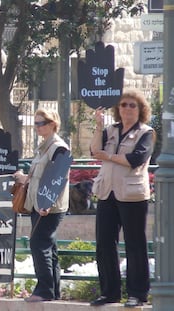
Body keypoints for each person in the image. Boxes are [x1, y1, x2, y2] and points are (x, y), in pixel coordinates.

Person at [89, 89, 154, 308]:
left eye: (132, 105)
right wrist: (98, 125)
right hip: (107, 191)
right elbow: (94, 150)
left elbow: (137, 159)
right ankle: (110, 292)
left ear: (140, 109)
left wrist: (109, 157)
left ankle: (138, 293)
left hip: (132, 194)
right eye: (123, 105)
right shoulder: (111, 130)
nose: (126, 108)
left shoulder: (146, 132)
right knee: (105, 242)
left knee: (135, 244)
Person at [13, 109, 70, 302]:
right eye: (36, 123)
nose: (37, 127)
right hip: (39, 203)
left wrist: (48, 202)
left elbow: (58, 177)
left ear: (53, 124)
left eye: (41, 123)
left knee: (39, 243)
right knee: (48, 246)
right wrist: (24, 178)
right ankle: (53, 290)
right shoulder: (44, 147)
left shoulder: (58, 147)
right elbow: (40, 175)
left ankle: (44, 289)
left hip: (49, 206)